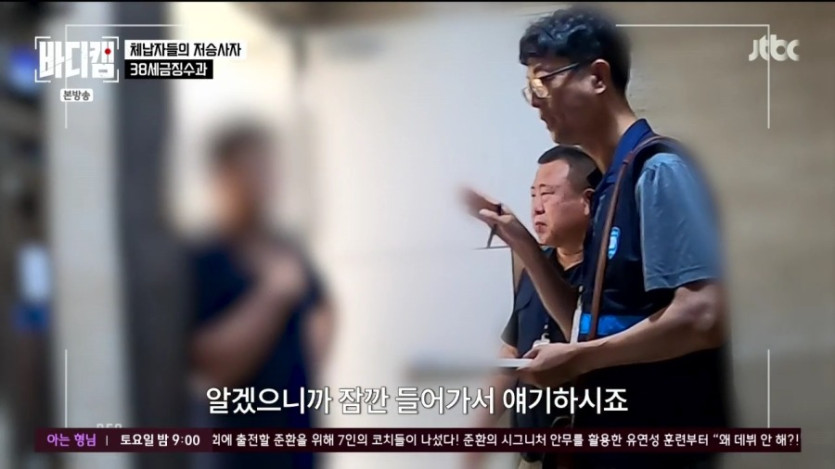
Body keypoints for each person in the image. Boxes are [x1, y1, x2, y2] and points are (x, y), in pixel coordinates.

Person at [465, 6, 732, 469]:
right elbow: (584, 325)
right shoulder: (612, 185)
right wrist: (522, 241)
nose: (535, 101)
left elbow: (703, 316)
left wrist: (581, 359)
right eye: (530, 86)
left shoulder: (657, 169)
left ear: (598, 77)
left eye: (544, 81)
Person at [188, 122, 335, 469]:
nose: (265, 179)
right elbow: (211, 363)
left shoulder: (285, 247)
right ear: (224, 176)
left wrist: (305, 363)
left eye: (269, 167)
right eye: (253, 167)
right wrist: (271, 297)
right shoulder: (206, 258)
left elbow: (324, 309)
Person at [464, 146, 601, 469]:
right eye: (533, 195)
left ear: (587, 201)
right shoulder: (535, 268)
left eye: (548, 194)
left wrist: (522, 243)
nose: (537, 207)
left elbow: (587, 347)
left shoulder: (605, 272)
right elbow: (511, 352)